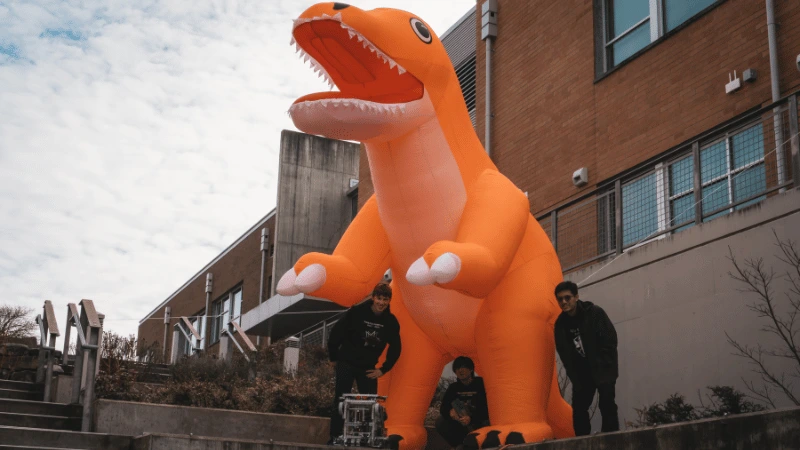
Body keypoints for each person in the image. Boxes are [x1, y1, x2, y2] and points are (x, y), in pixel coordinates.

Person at [327, 283, 401, 444]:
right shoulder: (357, 312)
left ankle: (368, 438)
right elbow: (336, 332)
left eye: (385, 299)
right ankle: (334, 437)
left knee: (370, 402)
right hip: (347, 361)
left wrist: (383, 369)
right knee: (340, 399)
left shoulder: (390, 321)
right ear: (373, 298)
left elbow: (396, 347)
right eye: (379, 298)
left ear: (389, 301)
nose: (381, 303)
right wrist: (333, 357)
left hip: (368, 367)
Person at [553, 281, 619, 436]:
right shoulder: (561, 324)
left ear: (576, 296)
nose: (564, 302)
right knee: (579, 410)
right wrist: (575, 377)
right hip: (582, 374)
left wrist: (604, 364)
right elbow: (564, 353)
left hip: (603, 368)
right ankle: (582, 442)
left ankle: (612, 439)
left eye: (567, 298)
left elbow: (610, 339)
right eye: (560, 299)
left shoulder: (594, 313)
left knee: (607, 403)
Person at [435, 356, 489, 449]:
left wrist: (471, 418)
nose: (460, 370)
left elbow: (487, 408)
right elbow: (444, 408)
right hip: (461, 423)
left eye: (463, 367)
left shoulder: (481, 384)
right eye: (457, 368)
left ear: (471, 369)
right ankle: (459, 444)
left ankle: (483, 444)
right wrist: (450, 412)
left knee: (488, 422)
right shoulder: (453, 387)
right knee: (440, 421)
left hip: (479, 421)